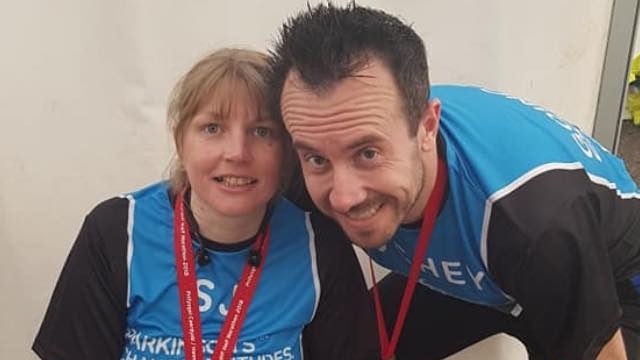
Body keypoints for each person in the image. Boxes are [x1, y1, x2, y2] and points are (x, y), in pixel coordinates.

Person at [267, 3, 640, 360]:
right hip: (479, 265)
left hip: (606, 277)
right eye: (317, 158)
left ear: (427, 128)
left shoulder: (535, 221)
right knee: (352, 342)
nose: (344, 197)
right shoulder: (319, 145)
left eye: (367, 153)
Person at [33, 48, 379, 360]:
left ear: (288, 151)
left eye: (262, 131)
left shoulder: (319, 242)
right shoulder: (115, 231)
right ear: (181, 140)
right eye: (212, 128)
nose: (237, 153)